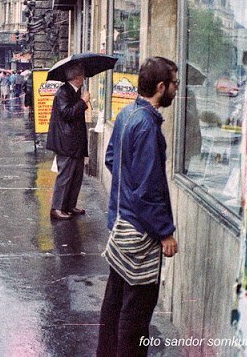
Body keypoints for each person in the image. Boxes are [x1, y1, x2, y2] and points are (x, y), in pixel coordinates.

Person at [97, 56, 179, 357]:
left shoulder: (126, 114)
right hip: (139, 234)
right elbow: (149, 191)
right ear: (160, 87)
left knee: (115, 306)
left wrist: (127, 191)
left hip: (121, 226)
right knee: (135, 317)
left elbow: (111, 160)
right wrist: (165, 232)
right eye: (174, 84)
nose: (176, 89)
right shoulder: (146, 126)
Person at [46, 63, 90, 220]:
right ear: (77, 78)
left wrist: (82, 101)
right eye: (82, 76)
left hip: (75, 141)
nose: (84, 78)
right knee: (65, 175)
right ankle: (57, 207)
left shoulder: (74, 91)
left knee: (76, 174)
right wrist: (83, 102)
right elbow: (66, 113)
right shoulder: (64, 92)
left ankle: (69, 204)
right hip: (66, 142)